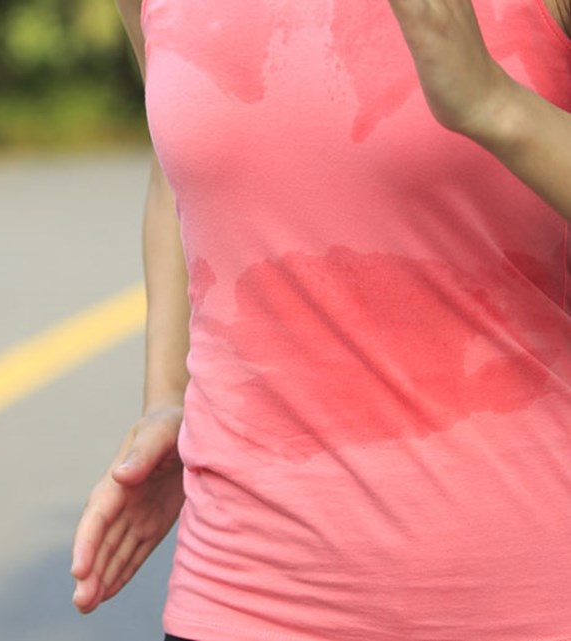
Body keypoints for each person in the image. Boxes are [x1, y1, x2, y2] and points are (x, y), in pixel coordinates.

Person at [71, 0, 571, 639]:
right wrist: (167, 398)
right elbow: (179, 168)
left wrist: (493, 104)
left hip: (528, 594)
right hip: (245, 593)